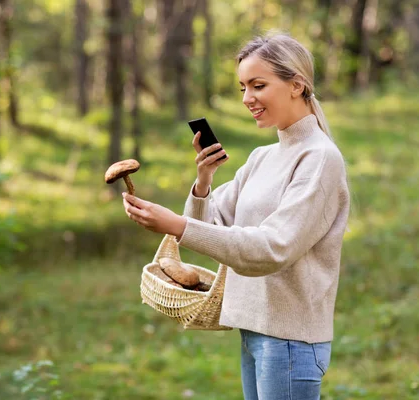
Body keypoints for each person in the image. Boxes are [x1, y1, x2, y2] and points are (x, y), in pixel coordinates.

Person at [122, 32, 350, 400]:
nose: (247, 99)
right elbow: (209, 227)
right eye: (243, 87)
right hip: (253, 332)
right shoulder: (264, 156)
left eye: (258, 85)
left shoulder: (319, 158)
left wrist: (176, 226)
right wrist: (203, 182)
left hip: (289, 343)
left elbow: (271, 249)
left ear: (297, 85)